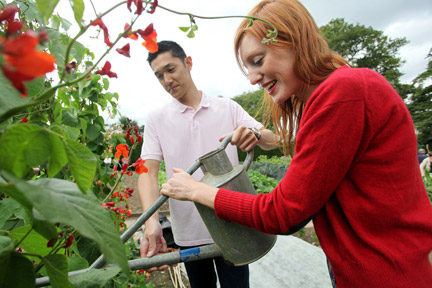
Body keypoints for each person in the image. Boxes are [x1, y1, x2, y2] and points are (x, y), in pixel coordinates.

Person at [159, 1, 432, 287]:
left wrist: (196, 189)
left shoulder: (344, 92)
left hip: (386, 274)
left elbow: (283, 212)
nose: (253, 79)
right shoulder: (332, 97)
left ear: (292, 41)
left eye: (258, 60)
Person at [138, 40, 278, 288]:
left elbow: (272, 140)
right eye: (159, 76)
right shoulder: (156, 119)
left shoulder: (226, 107)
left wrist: (255, 135)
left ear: (188, 63)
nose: (167, 80)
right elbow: (147, 173)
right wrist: (152, 222)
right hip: (189, 232)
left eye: (171, 69)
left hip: (233, 222)